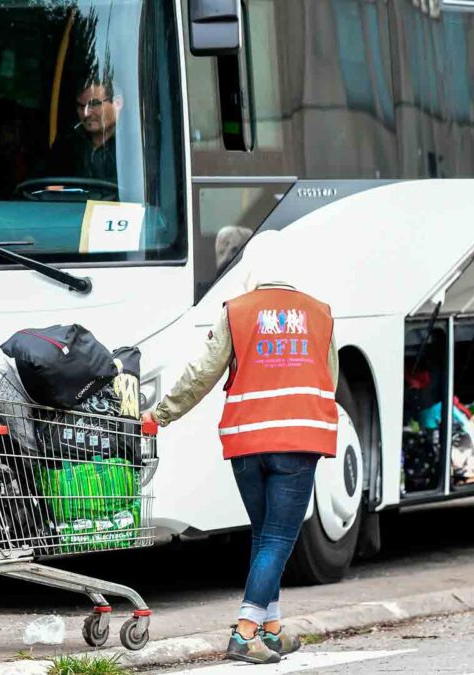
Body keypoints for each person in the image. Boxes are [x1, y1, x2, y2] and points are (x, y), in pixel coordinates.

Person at [142, 230, 338, 665]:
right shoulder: (321, 314)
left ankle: (272, 629)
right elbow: (331, 379)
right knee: (279, 538)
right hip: (297, 441)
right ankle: (245, 631)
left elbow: (202, 372)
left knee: (265, 535)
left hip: (247, 443)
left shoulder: (237, 311)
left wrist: (161, 414)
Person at [43, 78, 123, 183]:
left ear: (117, 103)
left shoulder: (138, 143)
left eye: (94, 104)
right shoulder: (67, 143)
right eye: (81, 106)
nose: (86, 114)